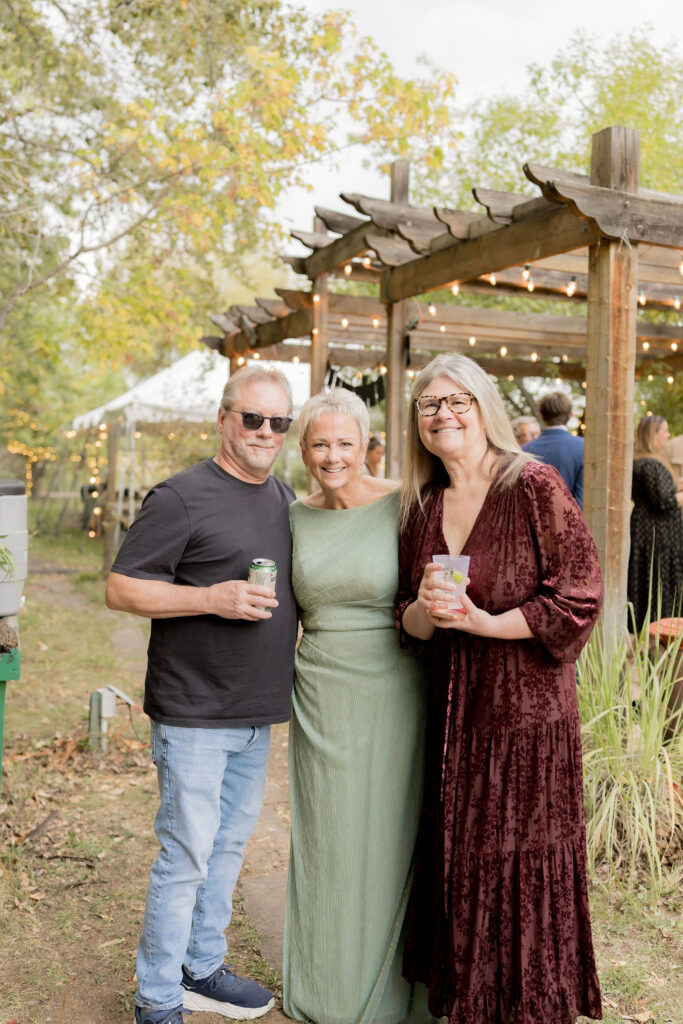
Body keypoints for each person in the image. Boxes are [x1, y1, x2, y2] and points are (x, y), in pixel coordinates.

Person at [396, 353, 604, 1024]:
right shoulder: (422, 505)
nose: (443, 414)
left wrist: (486, 623)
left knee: (520, 866)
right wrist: (426, 609)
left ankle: (531, 1008)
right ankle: (471, 1006)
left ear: (483, 407)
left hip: (526, 719)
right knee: (465, 866)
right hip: (455, 722)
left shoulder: (532, 484)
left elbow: (578, 595)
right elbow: (405, 622)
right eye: (429, 404)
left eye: (456, 400)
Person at [105, 366, 298, 1024]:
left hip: (256, 714)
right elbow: (121, 589)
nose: (266, 432)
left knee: (227, 850)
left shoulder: (285, 499)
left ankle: (201, 967)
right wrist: (210, 598)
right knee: (186, 856)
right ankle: (157, 997)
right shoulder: (180, 496)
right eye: (253, 418)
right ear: (223, 420)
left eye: (279, 422)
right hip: (193, 712)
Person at [283, 389, 432, 1024]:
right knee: (331, 838)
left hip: (398, 685)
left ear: (367, 445)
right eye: (320, 443)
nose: (333, 456)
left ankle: (404, 988)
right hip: (321, 690)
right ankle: (331, 985)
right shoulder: (292, 517)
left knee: (395, 833)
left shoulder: (407, 502)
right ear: (303, 450)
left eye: (345, 442)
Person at [627, 414, 683, 631]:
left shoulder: (642, 461)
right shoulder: (650, 464)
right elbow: (665, 501)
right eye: (664, 431)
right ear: (653, 435)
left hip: (650, 530)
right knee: (660, 582)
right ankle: (661, 630)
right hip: (658, 535)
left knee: (651, 579)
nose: (668, 436)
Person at [522, 390, 585, 507]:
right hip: (570, 515)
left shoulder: (524, 451)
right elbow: (581, 498)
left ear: (542, 416)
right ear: (570, 415)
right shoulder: (583, 447)